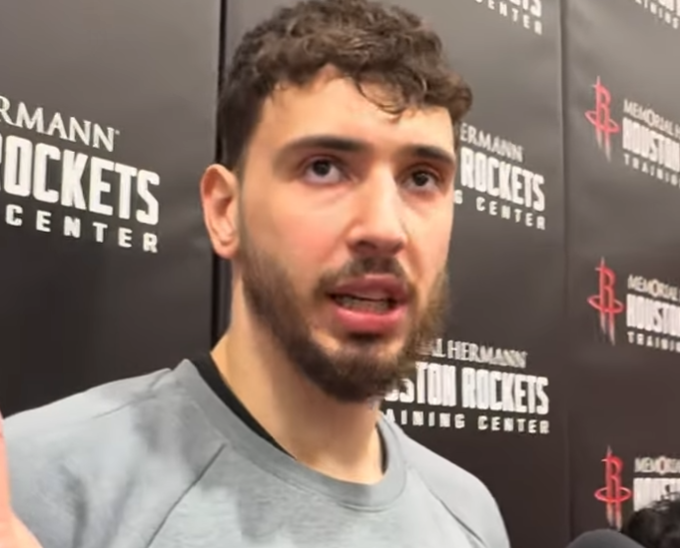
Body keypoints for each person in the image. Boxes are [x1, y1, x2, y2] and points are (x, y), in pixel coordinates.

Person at [0, 0, 510, 546]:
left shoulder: (470, 516)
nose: (385, 228)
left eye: (422, 178)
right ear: (225, 211)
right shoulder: (43, 483)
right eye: (324, 169)